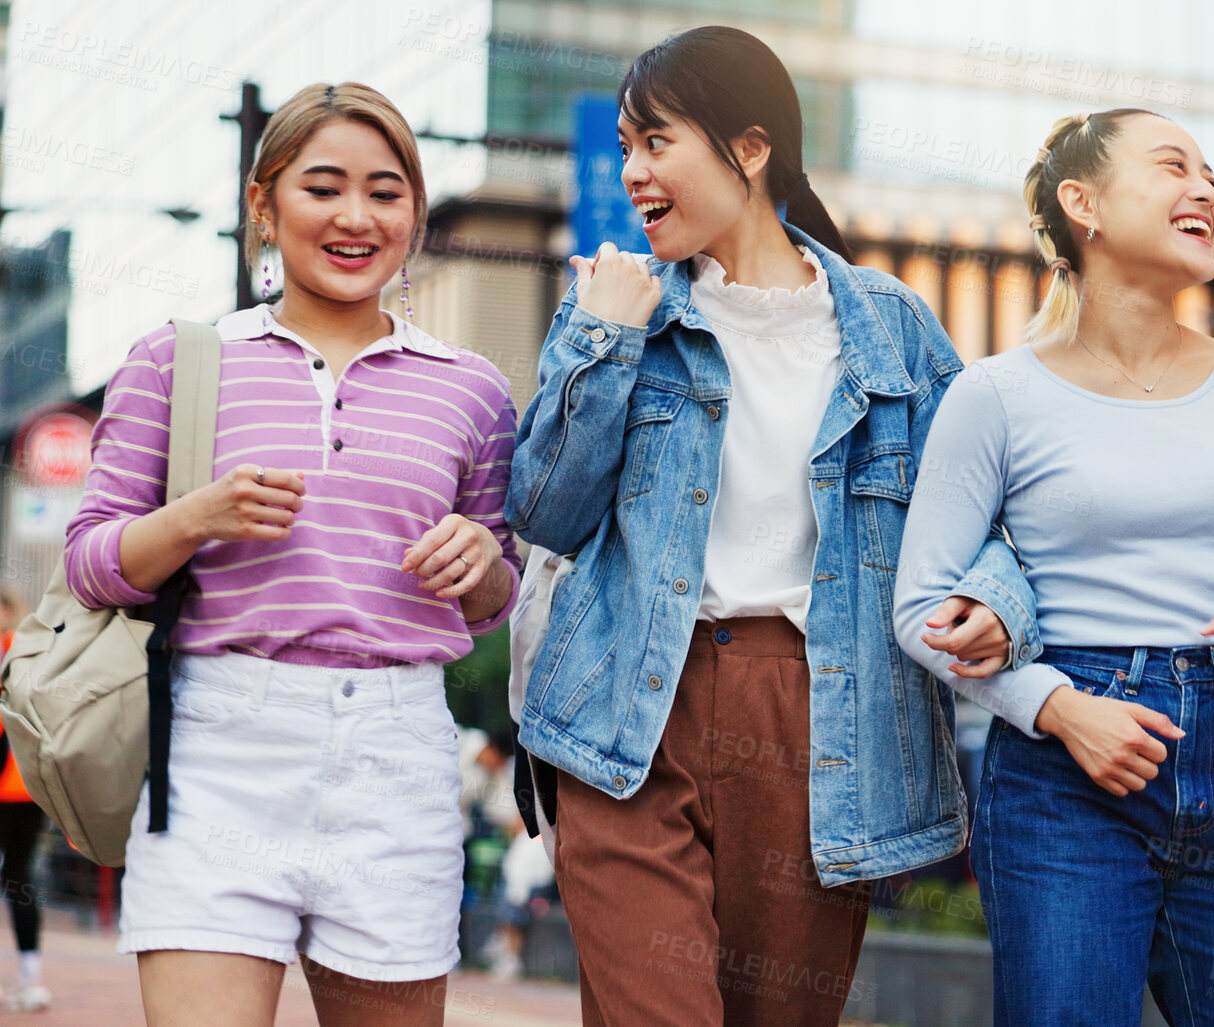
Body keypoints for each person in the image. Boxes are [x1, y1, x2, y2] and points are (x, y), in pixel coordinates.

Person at [504, 27, 1037, 1027]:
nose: (631, 172)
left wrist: (997, 604)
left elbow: (989, 520)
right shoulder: (623, 308)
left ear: (749, 148)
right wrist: (602, 339)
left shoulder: (892, 326)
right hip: (629, 712)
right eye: (624, 146)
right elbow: (544, 514)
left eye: (655, 141)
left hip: (819, 722)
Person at [65, 82, 521, 1027]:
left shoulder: (472, 390)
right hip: (219, 746)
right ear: (264, 206)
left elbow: (493, 595)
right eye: (324, 188)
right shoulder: (176, 360)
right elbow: (91, 560)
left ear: (415, 213)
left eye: (385, 192)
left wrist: (481, 563)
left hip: (399, 756)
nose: (356, 217)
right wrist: (194, 518)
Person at [894, 107, 1214, 1025]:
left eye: (1213, 176)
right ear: (1084, 203)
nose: (1204, 190)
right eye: (1172, 166)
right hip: (1066, 771)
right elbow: (918, 607)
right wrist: (1060, 710)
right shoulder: (994, 395)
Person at [0, 584, 48, 1012]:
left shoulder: (16, 653)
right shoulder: (33, 655)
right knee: (19, 879)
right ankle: (30, 978)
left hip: (16, 789)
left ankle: (30, 978)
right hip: (27, 787)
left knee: (17, 878)